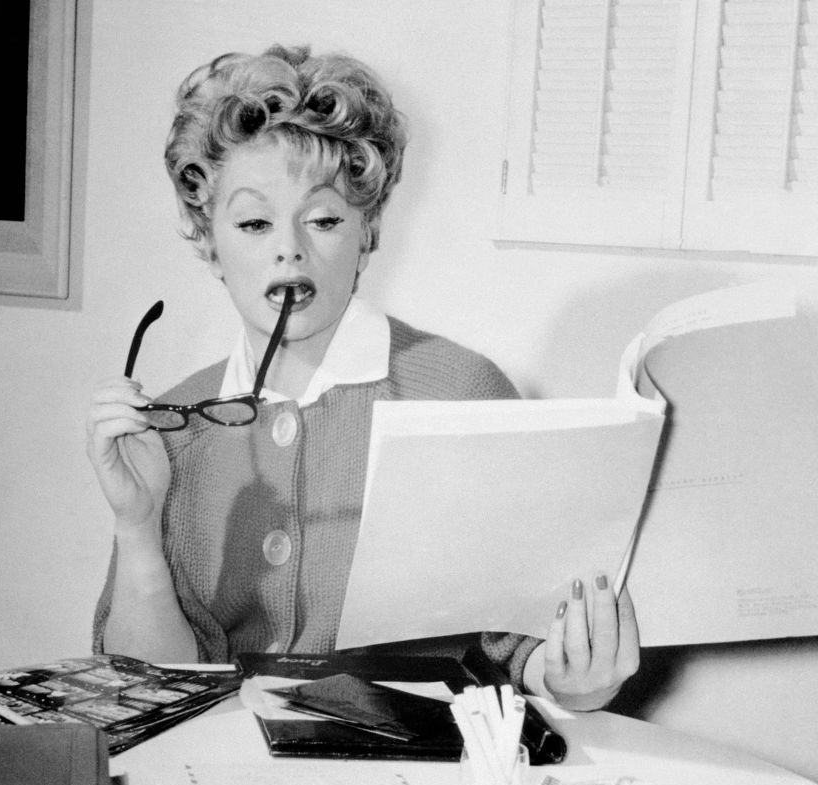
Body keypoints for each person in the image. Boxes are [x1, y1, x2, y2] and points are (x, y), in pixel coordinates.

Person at [87, 44, 639, 711]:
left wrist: (578, 674)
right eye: (255, 222)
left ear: (367, 230)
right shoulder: (171, 424)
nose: (289, 248)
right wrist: (137, 525)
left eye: (323, 219)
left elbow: (528, 647)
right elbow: (146, 690)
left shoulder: (461, 391)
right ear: (210, 241)